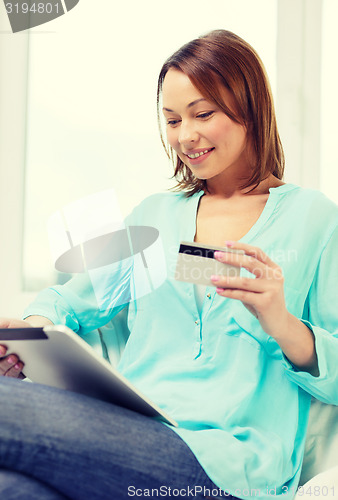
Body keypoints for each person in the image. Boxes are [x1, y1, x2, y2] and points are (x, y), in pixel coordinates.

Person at [0, 29, 337, 500]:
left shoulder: (314, 220)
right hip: (133, 431)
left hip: (226, 466)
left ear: (250, 108)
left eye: (203, 114)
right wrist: (26, 336)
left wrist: (282, 323)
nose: (186, 136)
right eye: (172, 119)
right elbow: (71, 300)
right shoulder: (155, 217)